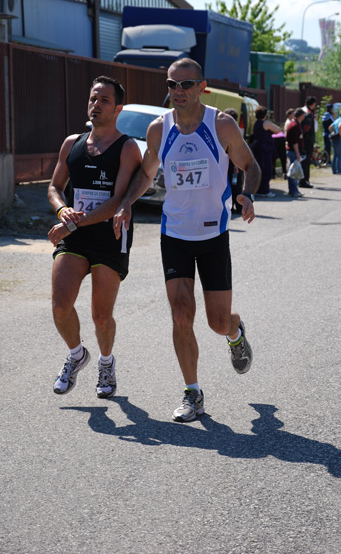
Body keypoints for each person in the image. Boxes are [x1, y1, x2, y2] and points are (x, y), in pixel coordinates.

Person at [113, 58, 261, 422]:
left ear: (201, 86)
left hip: (213, 234)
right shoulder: (158, 130)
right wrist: (127, 204)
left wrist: (248, 194)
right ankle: (193, 393)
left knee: (216, 321)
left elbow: (251, 165)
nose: (178, 92)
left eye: (186, 84)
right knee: (181, 312)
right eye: (172, 85)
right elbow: (147, 173)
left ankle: (235, 331)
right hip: (174, 233)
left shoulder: (221, 124)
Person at [47, 76, 142, 398]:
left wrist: (73, 223)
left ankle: (106, 362)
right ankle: (77, 355)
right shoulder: (71, 143)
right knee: (61, 306)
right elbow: (54, 188)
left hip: (110, 236)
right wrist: (62, 212)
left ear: (118, 108)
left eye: (103, 100)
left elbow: (118, 201)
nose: (96, 105)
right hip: (74, 236)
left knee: (100, 315)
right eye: (93, 98)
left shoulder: (127, 148)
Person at [249, 106, 281, 197]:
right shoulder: (266, 123)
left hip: (257, 148)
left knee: (259, 169)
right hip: (265, 149)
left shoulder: (256, 123)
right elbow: (278, 130)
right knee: (267, 169)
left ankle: (258, 189)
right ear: (265, 115)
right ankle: (264, 190)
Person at [225, 107, 244, 214]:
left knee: (229, 184)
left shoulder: (222, 129)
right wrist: (237, 165)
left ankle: (230, 206)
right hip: (234, 162)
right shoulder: (235, 130)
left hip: (226, 163)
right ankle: (238, 207)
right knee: (236, 185)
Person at [285, 108, 306, 198]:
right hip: (293, 151)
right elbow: (294, 142)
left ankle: (294, 190)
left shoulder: (296, 124)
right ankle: (293, 191)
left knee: (294, 171)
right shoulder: (294, 125)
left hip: (293, 151)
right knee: (294, 172)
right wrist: (297, 153)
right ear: (301, 116)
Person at [300, 96, 317, 189]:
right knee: (306, 161)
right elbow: (306, 128)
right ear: (313, 104)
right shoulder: (309, 114)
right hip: (308, 140)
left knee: (304, 161)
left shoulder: (303, 111)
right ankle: (304, 180)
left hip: (303, 140)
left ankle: (302, 180)